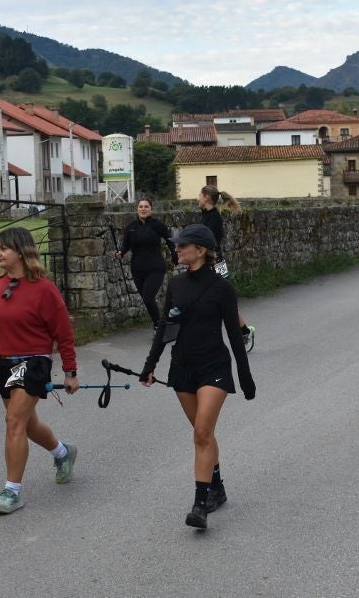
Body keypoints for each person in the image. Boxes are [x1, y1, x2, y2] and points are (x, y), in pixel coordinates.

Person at [140, 223, 255, 530]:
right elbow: (165, 327)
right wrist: (150, 364)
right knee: (203, 434)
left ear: (200, 250)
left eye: (181, 246)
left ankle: (199, 506)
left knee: (202, 432)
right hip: (183, 367)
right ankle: (217, 487)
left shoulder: (221, 288)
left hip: (214, 366)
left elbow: (234, 334)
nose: (175, 250)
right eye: (176, 246)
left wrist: (245, 379)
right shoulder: (176, 284)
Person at [0, 228, 79, 515]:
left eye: (4, 248)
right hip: (3, 362)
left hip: (33, 362)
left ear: (22, 252)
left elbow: (63, 332)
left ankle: (12, 491)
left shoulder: (43, 289)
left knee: (14, 421)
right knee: (26, 424)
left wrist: (70, 370)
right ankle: (63, 453)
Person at [197, 185, 255, 351]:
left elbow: (212, 243)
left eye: (200, 195)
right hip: (205, 262)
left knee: (225, 301)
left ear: (207, 197)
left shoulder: (214, 218)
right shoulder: (206, 215)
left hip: (216, 263)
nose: (197, 198)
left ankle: (244, 331)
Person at [116, 198, 175, 328]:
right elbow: (125, 245)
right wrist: (120, 252)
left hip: (155, 267)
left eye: (146, 207)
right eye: (141, 206)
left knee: (148, 297)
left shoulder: (158, 225)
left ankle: (158, 326)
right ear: (137, 209)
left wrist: (176, 257)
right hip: (137, 269)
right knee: (147, 300)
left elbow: (171, 241)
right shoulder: (131, 227)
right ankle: (158, 324)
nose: (143, 209)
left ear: (151, 209)